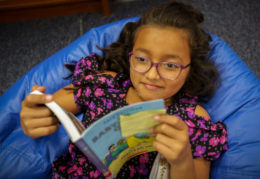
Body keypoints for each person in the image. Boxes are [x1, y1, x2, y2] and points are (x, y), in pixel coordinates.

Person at [20, 1, 228, 179]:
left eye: (170, 65)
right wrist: (32, 115)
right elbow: (47, 111)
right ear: (130, 55)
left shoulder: (193, 119)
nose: (152, 75)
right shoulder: (105, 85)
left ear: (190, 70)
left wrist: (182, 161)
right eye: (141, 59)